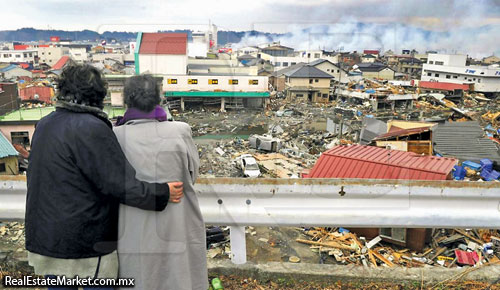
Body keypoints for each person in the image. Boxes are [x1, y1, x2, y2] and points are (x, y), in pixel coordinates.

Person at [25, 65, 184, 290]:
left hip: (46, 238)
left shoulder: (45, 124)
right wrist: (163, 192)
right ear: (99, 95)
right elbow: (120, 184)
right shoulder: (92, 128)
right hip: (85, 241)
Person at [114, 75, 208, 290]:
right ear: (158, 99)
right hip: (176, 218)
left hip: (132, 222)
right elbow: (192, 173)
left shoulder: (115, 134)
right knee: (178, 275)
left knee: (139, 276)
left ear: (127, 100)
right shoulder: (180, 131)